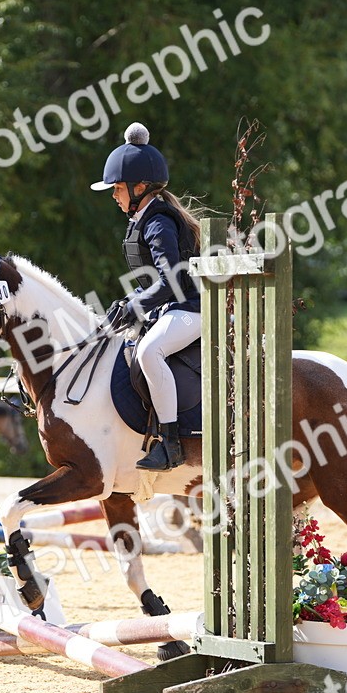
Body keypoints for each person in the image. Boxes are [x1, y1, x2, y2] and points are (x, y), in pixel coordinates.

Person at [92, 122, 202, 471]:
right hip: (170, 307)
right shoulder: (143, 217)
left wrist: (137, 304)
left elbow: (170, 280)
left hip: (191, 309)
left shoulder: (157, 223)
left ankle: (170, 444)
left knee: (149, 351)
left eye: (117, 188)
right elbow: (152, 279)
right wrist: (129, 301)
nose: (114, 195)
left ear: (139, 187)